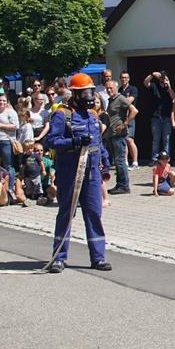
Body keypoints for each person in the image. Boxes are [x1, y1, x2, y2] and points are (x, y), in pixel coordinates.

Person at [45, 73, 111, 273]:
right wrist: (73, 142)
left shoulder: (92, 115)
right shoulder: (62, 115)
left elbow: (98, 143)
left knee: (94, 213)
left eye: (91, 91)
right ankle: (59, 258)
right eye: (85, 92)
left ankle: (98, 258)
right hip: (70, 171)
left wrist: (105, 163)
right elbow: (51, 141)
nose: (89, 96)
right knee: (66, 213)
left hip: (91, 173)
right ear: (74, 94)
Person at [104, 78, 136, 195]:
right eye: (107, 88)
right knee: (117, 162)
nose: (109, 90)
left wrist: (125, 124)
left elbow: (134, 110)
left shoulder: (120, 98)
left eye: (111, 88)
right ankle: (119, 184)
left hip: (119, 135)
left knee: (120, 160)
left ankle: (124, 186)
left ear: (116, 88)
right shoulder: (111, 100)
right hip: (111, 135)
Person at [0, 94, 19, 188]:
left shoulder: (11, 112)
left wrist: (0, 125)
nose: (1, 102)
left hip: (6, 141)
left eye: (4, 101)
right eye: (0, 100)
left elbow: (15, 126)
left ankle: (10, 187)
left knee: (8, 165)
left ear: (7, 102)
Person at [143, 71, 174, 163]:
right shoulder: (154, 86)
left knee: (166, 139)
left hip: (167, 118)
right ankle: (154, 158)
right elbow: (145, 82)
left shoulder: (168, 88)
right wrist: (152, 74)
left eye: (165, 78)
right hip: (156, 117)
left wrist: (169, 86)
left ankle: (166, 159)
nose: (163, 80)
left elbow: (174, 98)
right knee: (156, 140)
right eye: (162, 78)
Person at [117, 70, 139, 167]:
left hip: (130, 117)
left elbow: (129, 101)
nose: (124, 79)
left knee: (130, 139)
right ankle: (125, 162)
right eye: (122, 77)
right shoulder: (119, 90)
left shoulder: (133, 89)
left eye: (126, 77)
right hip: (121, 118)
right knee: (123, 140)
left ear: (129, 79)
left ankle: (135, 162)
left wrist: (121, 101)